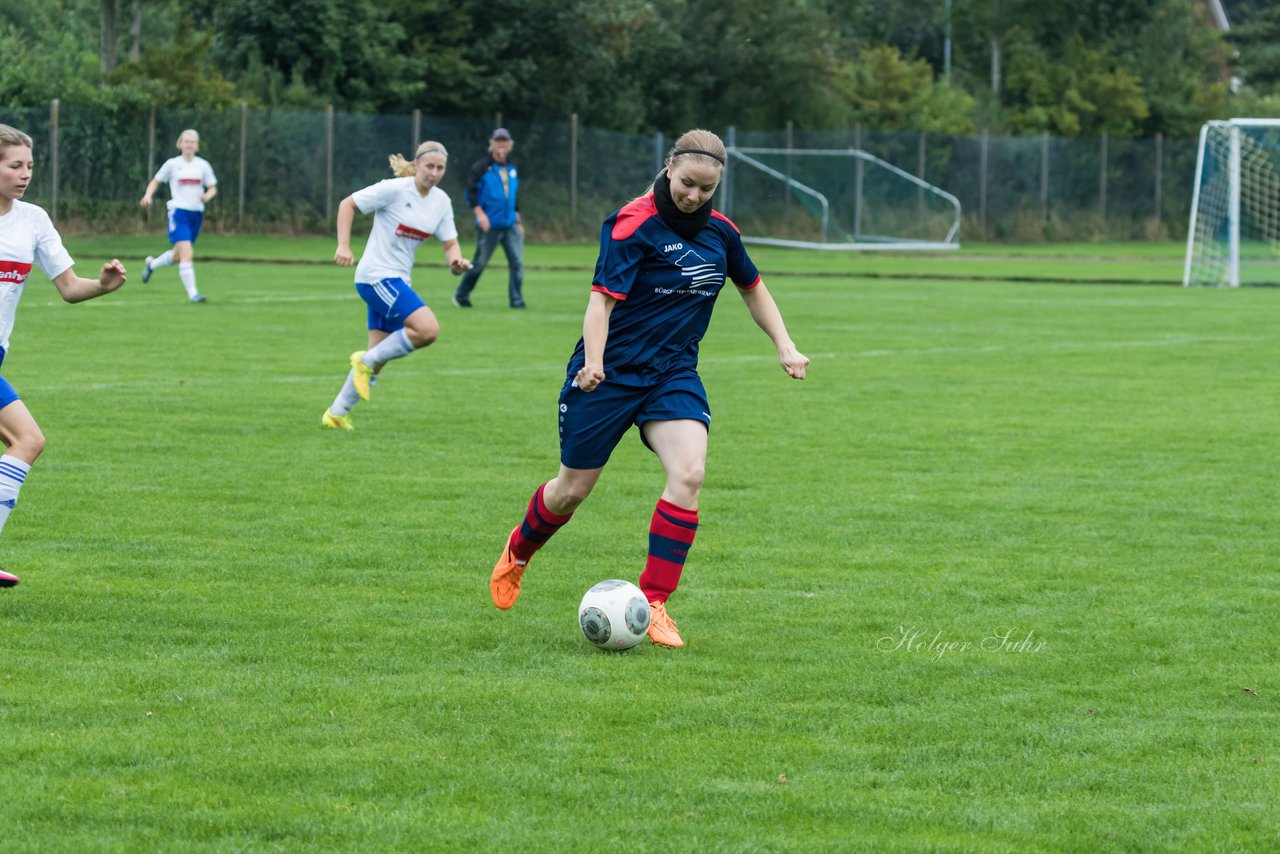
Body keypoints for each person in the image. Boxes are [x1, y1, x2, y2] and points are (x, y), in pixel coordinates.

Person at [488, 129, 809, 647]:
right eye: (687, 184)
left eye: (707, 189)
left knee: (690, 471)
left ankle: (655, 600)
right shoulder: (632, 223)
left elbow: (752, 287)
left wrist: (785, 344)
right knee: (571, 490)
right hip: (609, 374)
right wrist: (593, 363)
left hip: (672, 374)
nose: (694, 196)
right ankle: (519, 551)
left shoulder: (721, 234)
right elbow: (601, 303)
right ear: (669, 169)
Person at [0, 125, 127, 588]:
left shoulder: (33, 220)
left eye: (29, 166)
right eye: (15, 165)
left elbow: (71, 288)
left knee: (28, 442)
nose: (25, 174)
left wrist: (103, 285)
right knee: (28, 440)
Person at [321, 141, 473, 431]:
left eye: (440, 168)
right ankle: (363, 361)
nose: (435, 172)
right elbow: (347, 204)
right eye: (429, 166)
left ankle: (336, 414)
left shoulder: (441, 202)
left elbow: (450, 243)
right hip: (375, 276)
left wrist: (456, 262)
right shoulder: (394, 189)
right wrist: (343, 245)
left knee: (379, 356)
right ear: (416, 166)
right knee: (427, 329)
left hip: (397, 279)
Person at [139, 129, 217, 303]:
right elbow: (156, 181)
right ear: (180, 144)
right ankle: (193, 294)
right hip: (178, 212)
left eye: (192, 142)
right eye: (186, 141)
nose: (189, 144)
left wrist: (207, 196)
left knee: (177, 256)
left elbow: (212, 187)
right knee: (187, 253)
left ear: (197, 146)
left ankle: (151, 265)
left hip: (196, 214)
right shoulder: (172, 164)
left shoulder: (203, 166)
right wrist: (148, 195)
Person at [453, 128, 525, 309]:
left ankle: (516, 300)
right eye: (498, 141)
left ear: (510, 145)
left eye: (505, 141)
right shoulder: (481, 167)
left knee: (517, 263)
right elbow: (470, 193)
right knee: (479, 263)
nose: (501, 144)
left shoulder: (512, 168)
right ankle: (462, 295)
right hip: (489, 224)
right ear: (491, 144)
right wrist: (480, 214)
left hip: (510, 224)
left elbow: (513, 196)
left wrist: (518, 219)